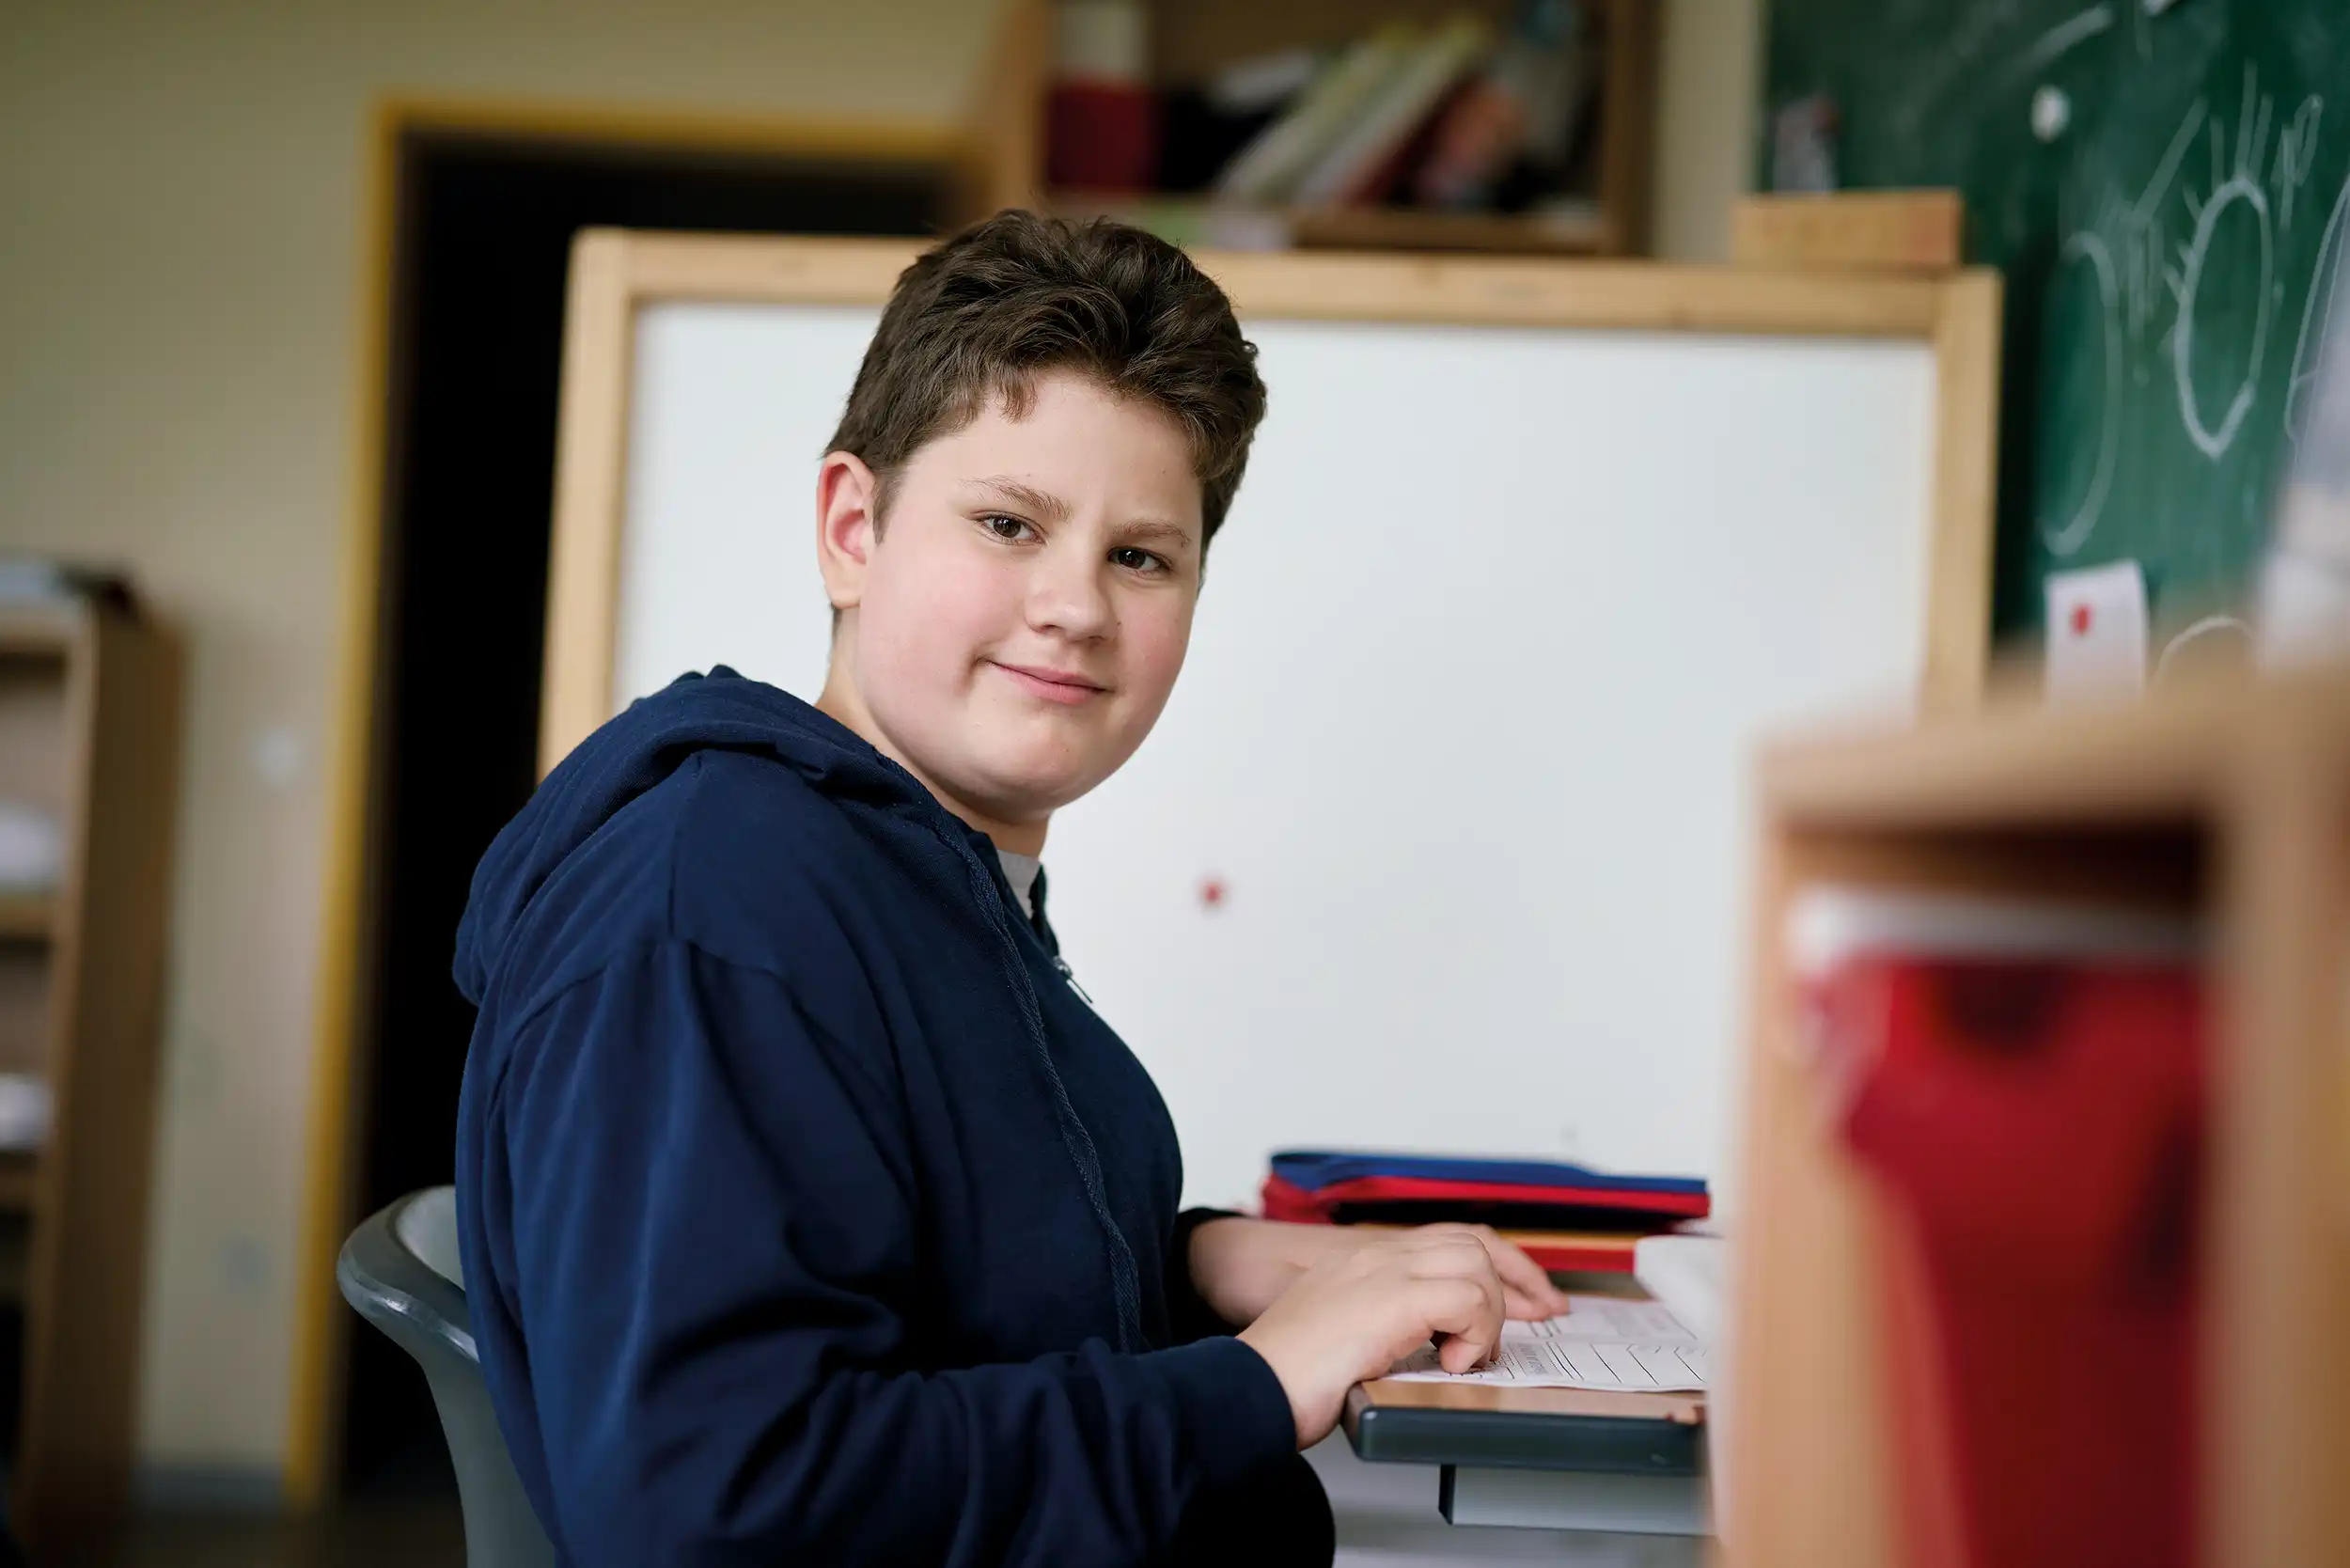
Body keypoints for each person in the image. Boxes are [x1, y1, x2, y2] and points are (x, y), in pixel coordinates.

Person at [452, 211, 1570, 1565]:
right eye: (1008, 523)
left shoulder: (914, 875)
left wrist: (1199, 1264)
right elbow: (715, 1509)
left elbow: (938, 1268)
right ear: (851, 527)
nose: (1076, 607)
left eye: (1140, 555)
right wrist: (1258, 1382)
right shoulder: (712, 908)